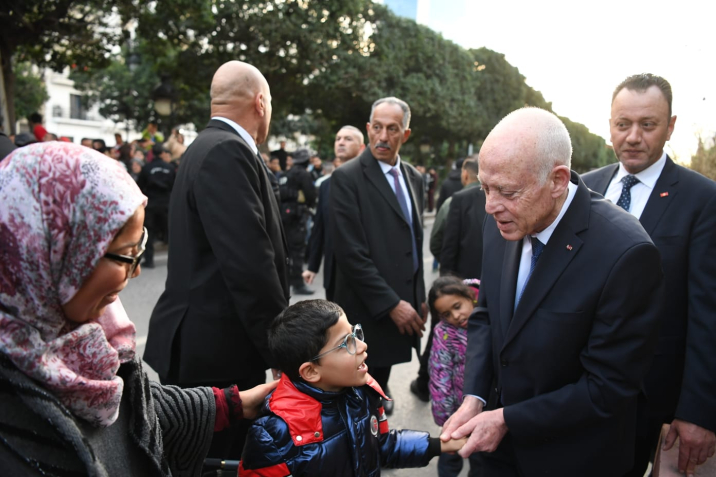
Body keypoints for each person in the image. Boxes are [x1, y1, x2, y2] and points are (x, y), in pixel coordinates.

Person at [0, 142, 277, 476]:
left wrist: (232, 404)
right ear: (50, 253)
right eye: (126, 254)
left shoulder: (91, 333)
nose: (136, 271)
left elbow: (133, 408)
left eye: (139, 250)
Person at [440, 107, 664, 476]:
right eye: (484, 188)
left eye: (507, 191)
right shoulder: (501, 218)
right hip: (494, 455)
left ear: (557, 180)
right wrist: (475, 397)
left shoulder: (626, 252)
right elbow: (487, 315)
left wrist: (508, 419)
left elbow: (608, 387)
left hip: (573, 458)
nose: (490, 206)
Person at [144, 61, 289, 459]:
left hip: (204, 344)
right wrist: (282, 347)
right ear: (260, 103)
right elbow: (250, 266)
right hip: (217, 353)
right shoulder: (228, 150)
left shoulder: (206, 146)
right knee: (218, 461)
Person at [583, 73, 716, 477]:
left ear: (670, 126)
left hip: (651, 401)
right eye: (623, 124)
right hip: (573, 393)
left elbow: (708, 314)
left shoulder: (702, 200)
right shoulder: (583, 189)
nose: (633, 137)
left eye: (648, 124)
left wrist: (698, 412)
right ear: (609, 125)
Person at [239, 299, 466, 476]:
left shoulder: (362, 392)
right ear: (311, 371)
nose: (362, 345)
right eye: (345, 343)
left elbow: (381, 447)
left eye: (354, 333)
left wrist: (439, 445)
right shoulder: (272, 434)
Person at [330, 97, 426, 415]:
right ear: (368, 129)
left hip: (401, 308)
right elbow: (350, 255)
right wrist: (391, 304)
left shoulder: (414, 177)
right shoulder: (347, 178)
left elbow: (413, 241)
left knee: (378, 392)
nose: (383, 137)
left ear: (405, 134)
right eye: (378, 128)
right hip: (367, 312)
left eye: (393, 129)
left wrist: (420, 296)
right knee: (357, 400)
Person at [411, 155, 483, 404]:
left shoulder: (457, 200)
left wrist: (446, 286)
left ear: (465, 174)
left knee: (441, 339)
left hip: (455, 285)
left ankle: (425, 384)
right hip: (481, 291)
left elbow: (441, 244)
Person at [303, 125, 365, 300]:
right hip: (333, 272)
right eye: (338, 139)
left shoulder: (370, 182)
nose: (341, 142)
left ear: (361, 148)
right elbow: (319, 227)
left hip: (363, 272)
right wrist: (313, 266)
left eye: (348, 139)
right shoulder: (326, 185)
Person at [428, 277, 481, 477]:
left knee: (481, 458)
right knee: (450, 454)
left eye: (457, 307)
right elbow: (440, 374)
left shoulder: (492, 313)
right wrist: (446, 418)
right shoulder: (444, 333)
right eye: (447, 314)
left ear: (470, 296)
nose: (456, 316)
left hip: (488, 408)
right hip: (459, 412)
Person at [440, 156, 486, 278]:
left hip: (465, 279)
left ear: (465, 174)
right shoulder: (461, 199)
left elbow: (447, 246)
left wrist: (446, 280)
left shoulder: (460, 199)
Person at [279, 148, 317, 295]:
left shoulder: (286, 174)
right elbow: (310, 195)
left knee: (286, 250)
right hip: (297, 217)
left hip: (284, 215)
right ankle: (298, 284)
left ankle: (285, 283)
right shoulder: (303, 174)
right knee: (297, 251)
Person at [137, 144, 176, 269]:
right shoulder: (170, 168)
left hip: (151, 203)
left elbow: (140, 186)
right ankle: (177, 259)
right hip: (166, 203)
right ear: (162, 153)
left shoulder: (147, 168)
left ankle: (149, 260)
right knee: (171, 232)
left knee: (149, 232)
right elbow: (174, 185)